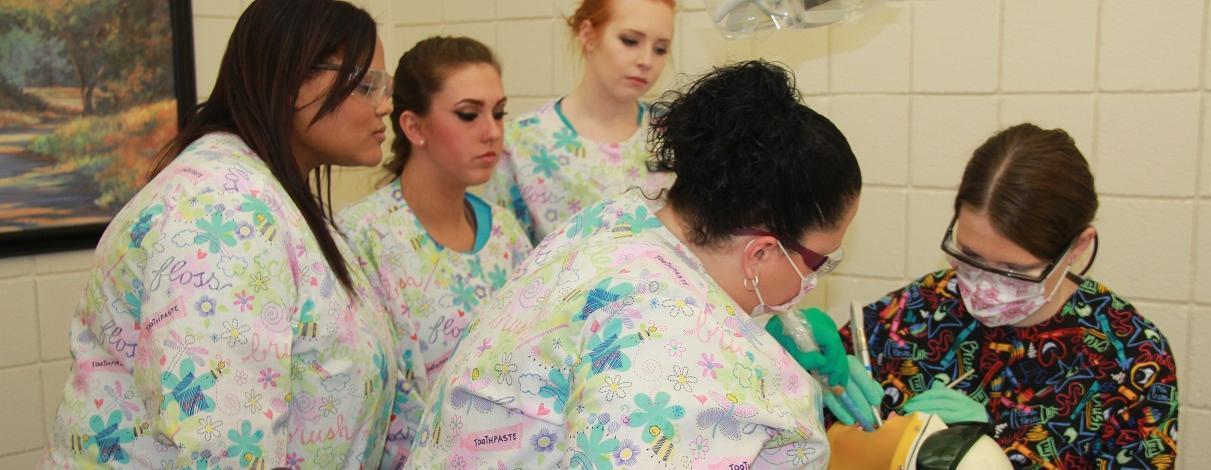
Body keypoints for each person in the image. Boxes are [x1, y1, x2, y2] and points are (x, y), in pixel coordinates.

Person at [405, 60, 871, 469]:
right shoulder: (672, 340)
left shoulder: (613, 223)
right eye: (818, 261)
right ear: (762, 252)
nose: (812, 279)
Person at [45, 1, 401, 467]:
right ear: (295, 82)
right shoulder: (220, 211)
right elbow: (222, 445)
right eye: (367, 84)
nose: (386, 105)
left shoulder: (273, 199)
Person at [841, 124, 1178, 468]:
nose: (983, 288)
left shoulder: (1131, 355)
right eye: (969, 257)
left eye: (1013, 270)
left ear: (1077, 248)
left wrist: (988, 457)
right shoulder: (913, 314)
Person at [337, 36, 533, 468]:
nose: (492, 132)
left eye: (499, 113)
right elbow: (371, 397)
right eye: (468, 115)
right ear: (414, 127)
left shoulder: (507, 235)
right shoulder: (362, 237)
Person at [483, 0, 676, 244]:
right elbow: (503, 253)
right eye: (630, 41)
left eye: (660, 49)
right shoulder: (523, 143)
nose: (646, 60)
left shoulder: (675, 133)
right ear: (588, 35)